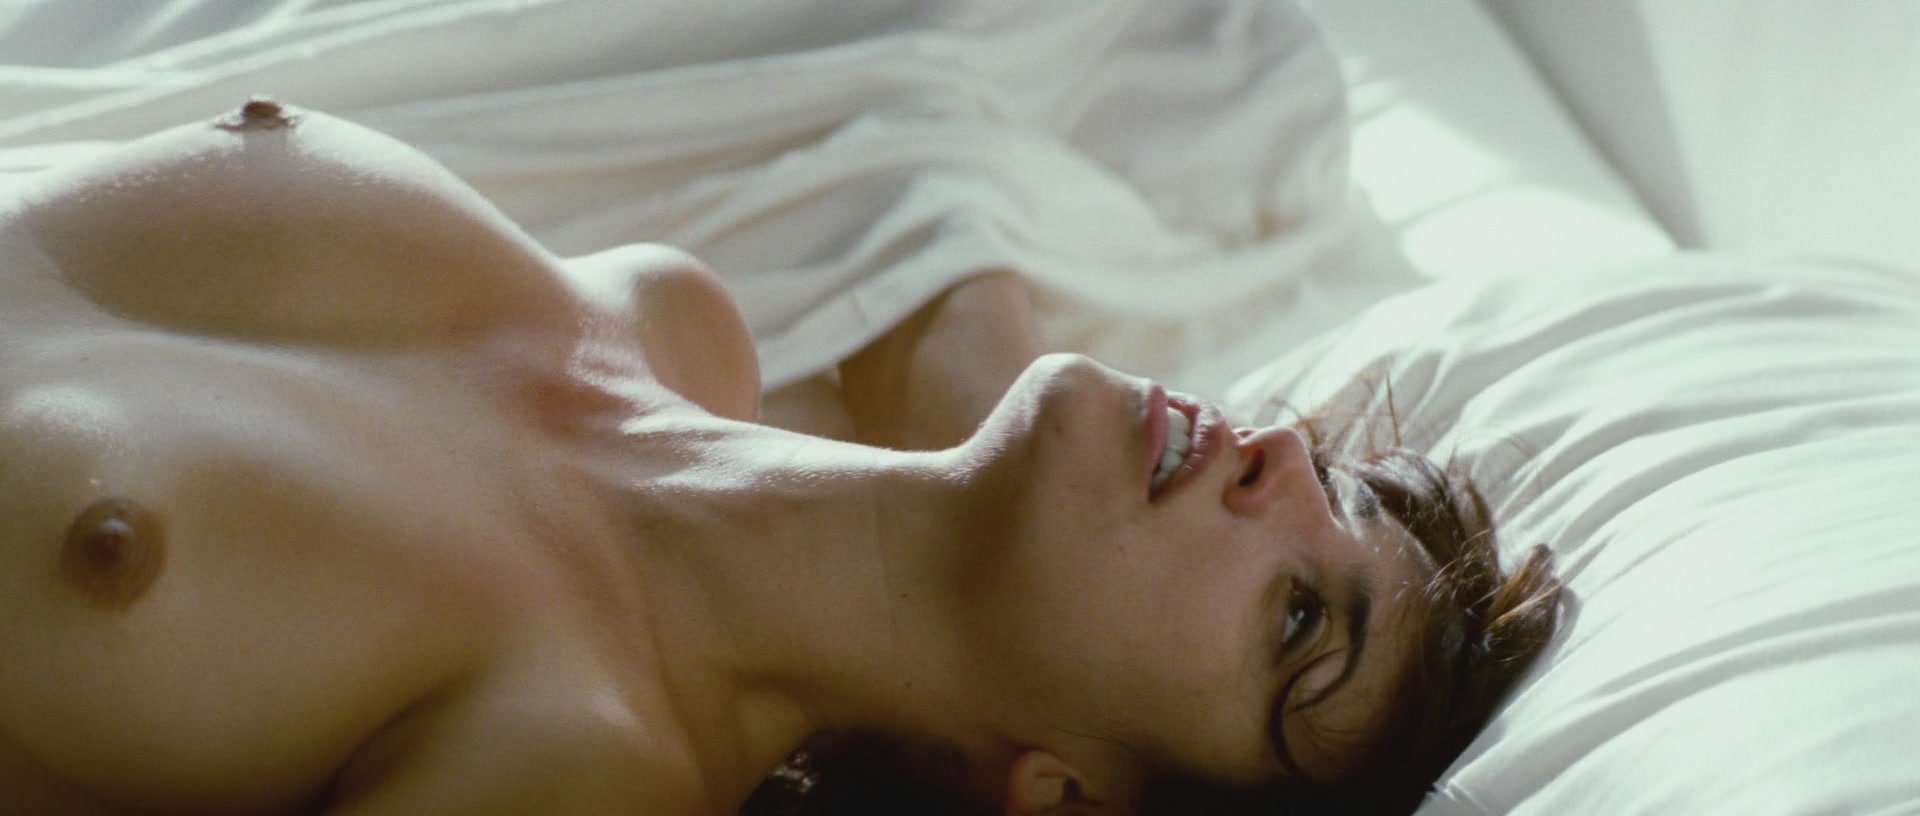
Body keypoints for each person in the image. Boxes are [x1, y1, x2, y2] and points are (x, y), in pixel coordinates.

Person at [0, 100, 1561, 814]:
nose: (1273, 453)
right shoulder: (670, 319)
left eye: (1299, 617)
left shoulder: (578, 762)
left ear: (1067, 794)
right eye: (1329, 481)